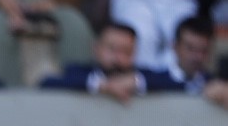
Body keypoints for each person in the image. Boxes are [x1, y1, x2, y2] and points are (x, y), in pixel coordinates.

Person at [39, 18, 180, 97]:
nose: (118, 58)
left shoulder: (143, 76)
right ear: (96, 48)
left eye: (126, 51)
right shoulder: (77, 72)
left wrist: (136, 82)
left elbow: (176, 84)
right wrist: (101, 85)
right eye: (111, 49)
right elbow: (46, 83)